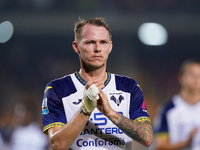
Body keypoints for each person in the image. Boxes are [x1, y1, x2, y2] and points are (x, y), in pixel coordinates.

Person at [41, 17, 153, 150]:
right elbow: (57, 145)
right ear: (76, 47)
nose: (98, 48)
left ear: (110, 47)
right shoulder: (57, 89)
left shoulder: (129, 87)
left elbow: (147, 138)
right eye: (90, 42)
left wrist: (111, 113)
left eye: (103, 42)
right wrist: (86, 110)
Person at [154, 58, 200, 150]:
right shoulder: (168, 109)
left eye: (199, 75)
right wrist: (186, 143)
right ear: (181, 78)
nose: (196, 79)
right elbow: (159, 146)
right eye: (192, 75)